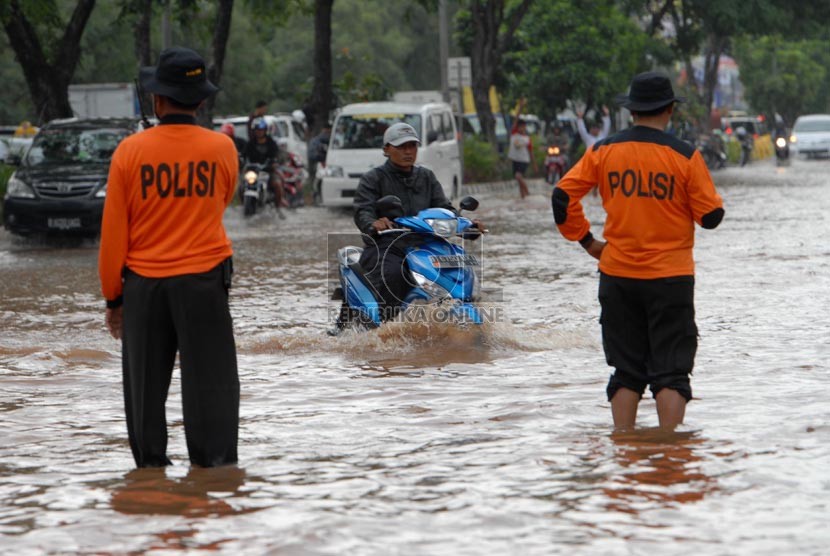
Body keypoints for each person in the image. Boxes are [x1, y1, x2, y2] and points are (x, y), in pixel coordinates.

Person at [551, 71, 725, 431]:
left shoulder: (603, 151)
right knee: (672, 373)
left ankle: (624, 445)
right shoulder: (685, 156)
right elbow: (711, 217)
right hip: (671, 280)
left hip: (617, 276)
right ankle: (668, 450)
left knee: (627, 371)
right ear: (669, 110)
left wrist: (587, 242)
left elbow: (562, 196)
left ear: (632, 110)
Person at [98, 46, 240, 468]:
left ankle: (150, 475)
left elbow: (113, 236)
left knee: (144, 392)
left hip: (144, 286)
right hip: (204, 281)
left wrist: (113, 299)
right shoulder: (223, 150)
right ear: (200, 100)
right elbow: (221, 203)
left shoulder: (129, 152)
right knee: (211, 386)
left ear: (158, 100)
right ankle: (213, 474)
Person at [350, 122, 481, 323]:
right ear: (386, 149)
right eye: (401, 147)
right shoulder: (373, 178)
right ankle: (387, 326)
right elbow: (362, 210)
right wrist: (374, 223)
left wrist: (467, 225)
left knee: (460, 266)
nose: (408, 151)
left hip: (427, 244)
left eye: (412, 146)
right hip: (388, 246)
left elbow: (445, 208)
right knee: (393, 274)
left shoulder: (426, 177)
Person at [243, 117, 285, 217]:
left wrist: (275, 162)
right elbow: (244, 155)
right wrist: (241, 161)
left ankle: (278, 208)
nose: (259, 132)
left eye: (261, 130)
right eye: (257, 130)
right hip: (253, 172)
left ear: (265, 130)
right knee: (241, 186)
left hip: (268, 171)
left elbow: (277, 155)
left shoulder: (271, 143)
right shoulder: (250, 144)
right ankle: (243, 205)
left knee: (277, 185)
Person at [507, 99, 537, 199]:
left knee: (518, 176)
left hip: (524, 160)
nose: (522, 128)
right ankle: (523, 197)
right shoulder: (514, 133)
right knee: (519, 180)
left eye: (523, 127)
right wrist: (520, 107)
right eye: (520, 126)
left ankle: (528, 193)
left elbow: (531, 152)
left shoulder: (527, 139)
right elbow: (516, 119)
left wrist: (534, 164)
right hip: (515, 160)